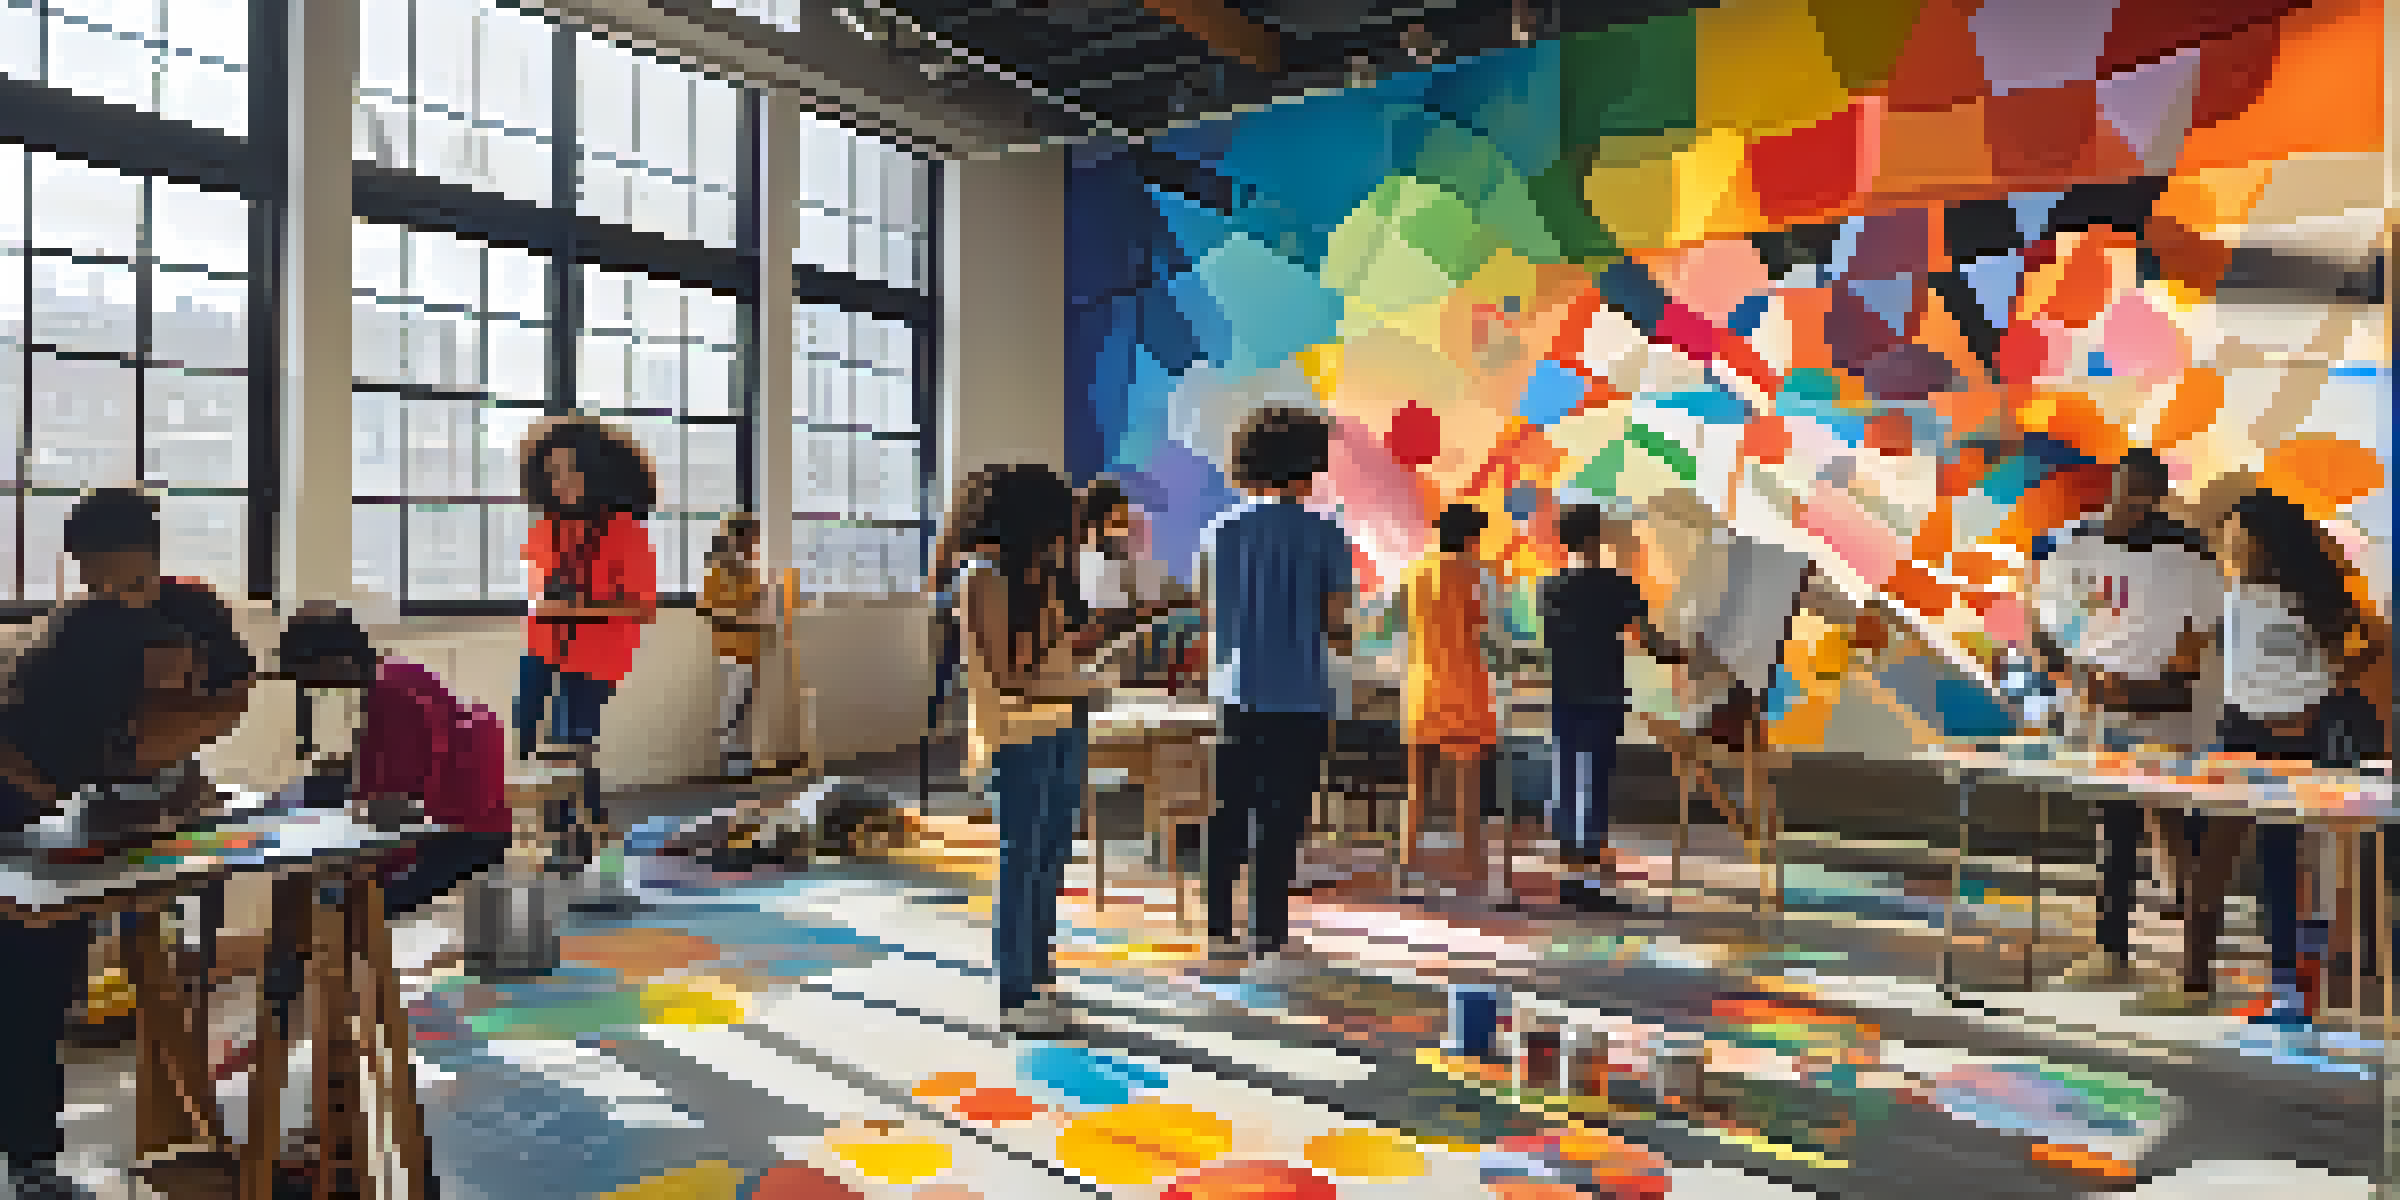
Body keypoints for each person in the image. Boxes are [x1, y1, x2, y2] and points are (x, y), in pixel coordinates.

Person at [0, 489, 257, 1200]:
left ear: (147, 553)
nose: (101, 585)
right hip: (27, 804)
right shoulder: (79, 629)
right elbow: (39, 738)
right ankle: (33, 1159)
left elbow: (228, 693)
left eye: (114, 571)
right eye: (91, 573)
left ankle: (33, 1162)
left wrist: (180, 763)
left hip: (79, 818)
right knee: (30, 967)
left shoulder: (194, 614)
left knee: (42, 981)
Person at [2193, 490, 2390, 1022]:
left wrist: (2312, 705)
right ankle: (2279, 980)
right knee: (2263, 858)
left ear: (2268, 541)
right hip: (2241, 733)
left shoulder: (2310, 597)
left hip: (2298, 737)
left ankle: (2301, 983)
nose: (2232, 543)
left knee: (2302, 857)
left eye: (2241, 535)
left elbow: (2353, 651)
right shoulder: (2232, 593)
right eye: (2229, 534)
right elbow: (2234, 669)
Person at [2034, 449, 2221, 1005]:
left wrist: (2152, 684)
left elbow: (2200, 637)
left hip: (2163, 711)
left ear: (2159, 494)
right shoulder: (2074, 544)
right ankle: (2111, 949)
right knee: (2113, 827)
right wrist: (2082, 677)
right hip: (2099, 709)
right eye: (2125, 490)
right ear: (2113, 487)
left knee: (2175, 827)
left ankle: (2192, 963)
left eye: (2144, 493)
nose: (2132, 504)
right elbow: (2052, 626)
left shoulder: (2190, 551)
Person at [954, 465, 1111, 1035]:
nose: (1066, 535)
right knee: (1022, 859)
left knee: (1050, 855)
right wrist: (1086, 687)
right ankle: (1015, 990)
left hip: (1061, 723)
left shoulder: (1033, 576)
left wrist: (1078, 659)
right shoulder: (985, 575)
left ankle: (1039, 973)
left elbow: (1044, 657)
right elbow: (1010, 675)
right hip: (1020, 734)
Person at [1198, 408, 1356, 964]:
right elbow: (1337, 627)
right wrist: (1340, 636)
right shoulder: (1327, 534)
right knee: (1281, 818)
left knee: (1228, 811)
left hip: (1237, 693)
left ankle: (1219, 927)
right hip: (1301, 697)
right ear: (1306, 465)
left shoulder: (1222, 531)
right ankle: (1267, 931)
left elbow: (1211, 614)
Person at [276, 604, 515, 919]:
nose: (311, 687)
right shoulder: (395, 670)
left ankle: (340, 961)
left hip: (460, 839)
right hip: (464, 826)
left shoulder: (392, 698)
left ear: (336, 661)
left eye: (309, 676)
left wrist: (362, 874)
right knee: (315, 798)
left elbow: (403, 811)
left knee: (332, 902)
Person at [516, 417, 659, 876]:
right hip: (541, 645)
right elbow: (538, 593)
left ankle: (573, 835)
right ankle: (580, 823)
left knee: (568, 739)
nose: (561, 483)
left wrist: (577, 606)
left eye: (572, 472)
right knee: (530, 736)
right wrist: (554, 605)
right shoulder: (545, 530)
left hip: (594, 654)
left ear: (598, 473)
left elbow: (641, 606)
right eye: (553, 473)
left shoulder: (625, 531)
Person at [1539, 506, 1686, 913]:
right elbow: (1652, 641)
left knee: (1566, 773)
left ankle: (1571, 864)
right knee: (1595, 780)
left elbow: (1556, 640)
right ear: (1594, 539)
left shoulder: (1548, 587)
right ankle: (1587, 869)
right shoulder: (1616, 585)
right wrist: (1684, 655)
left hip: (1565, 691)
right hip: (1603, 691)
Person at [1389, 504, 1503, 889]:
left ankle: (1406, 870)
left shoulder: (1414, 573)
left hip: (1422, 689)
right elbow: (1488, 630)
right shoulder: (1477, 575)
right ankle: (1472, 873)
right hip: (1465, 690)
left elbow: (1402, 624)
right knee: (1466, 794)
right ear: (1471, 537)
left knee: (1417, 789)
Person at [699, 514, 768, 780]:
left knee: (744, 710)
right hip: (731, 651)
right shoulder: (719, 569)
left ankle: (743, 764)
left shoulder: (748, 569)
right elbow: (708, 608)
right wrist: (745, 618)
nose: (756, 543)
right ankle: (733, 768)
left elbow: (755, 603)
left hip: (751, 650)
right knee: (733, 712)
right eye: (753, 537)